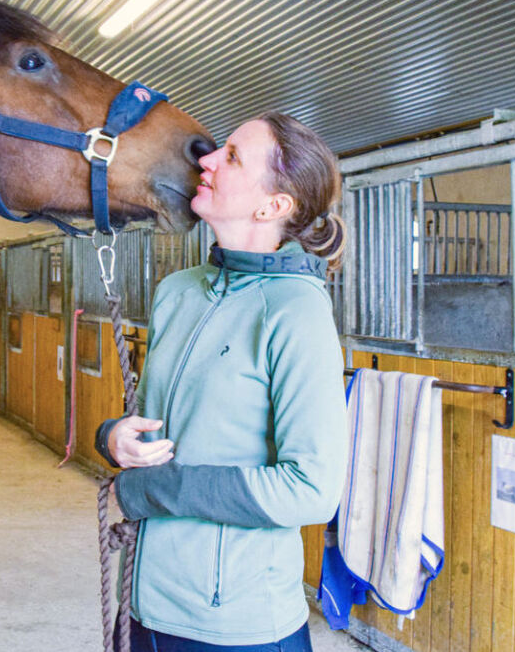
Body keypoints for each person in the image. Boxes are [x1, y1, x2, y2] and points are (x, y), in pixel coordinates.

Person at [95, 112, 348, 651]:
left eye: (231, 156)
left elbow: (312, 490)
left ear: (273, 206)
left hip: (235, 624)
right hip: (143, 603)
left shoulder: (295, 313)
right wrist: (114, 437)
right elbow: (160, 423)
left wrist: (158, 490)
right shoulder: (177, 291)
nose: (205, 160)